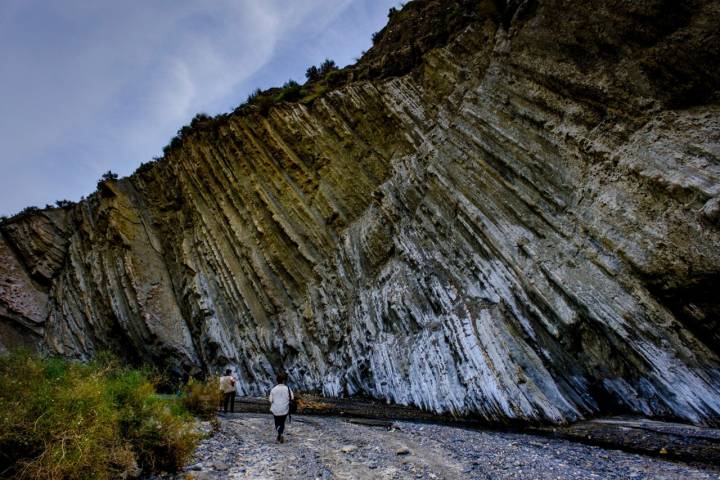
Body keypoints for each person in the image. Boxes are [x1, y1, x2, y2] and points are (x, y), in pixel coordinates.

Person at [268, 372, 293, 443]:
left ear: (277, 380)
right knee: (282, 422)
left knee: (277, 422)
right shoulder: (288, 389)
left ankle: (279, 434)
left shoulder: (273, 389)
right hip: (284, 409)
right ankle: (280, 434)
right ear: (283, 380)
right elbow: (292, 397)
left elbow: (270, 400)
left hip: (275, 409)